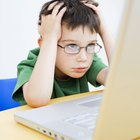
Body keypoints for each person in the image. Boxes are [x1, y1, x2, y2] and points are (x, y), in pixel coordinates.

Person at [12, 0, 113, 107]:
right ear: (45, 44)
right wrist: (49, 38)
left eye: (91, 45)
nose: (83, 58)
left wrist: (104, 32)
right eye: (72, 46)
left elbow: (123, 83)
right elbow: (38, 99)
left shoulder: (86, 62)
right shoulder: (29, 67)